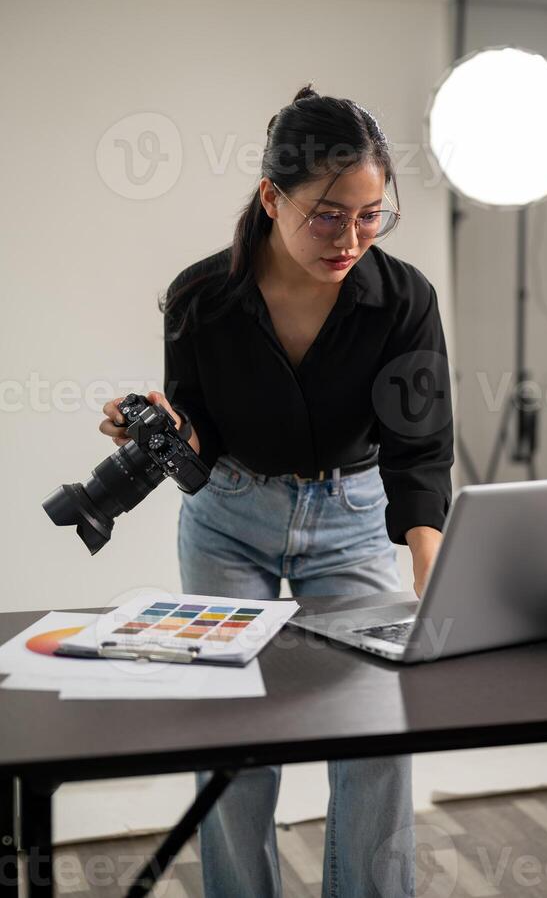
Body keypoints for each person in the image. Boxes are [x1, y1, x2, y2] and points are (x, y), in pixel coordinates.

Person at [100, 84, 454, 898]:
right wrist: (159, 431)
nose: (351, 238)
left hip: (355, 516)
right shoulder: (202, 298)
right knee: (232, 740)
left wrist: (428, 567)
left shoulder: (403, 299)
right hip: (227, 516)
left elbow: (419, 445)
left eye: (371, 216)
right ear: (271, 196)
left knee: (373, 736)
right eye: (329, 215)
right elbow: (199, 446)